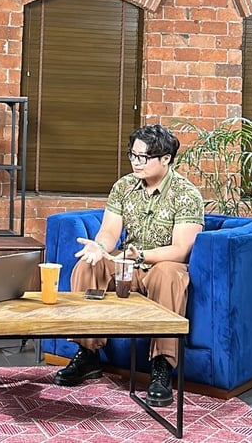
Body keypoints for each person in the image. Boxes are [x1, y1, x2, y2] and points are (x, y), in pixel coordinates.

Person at [53, 124, 204, 408]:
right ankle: (88, 354)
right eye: (132, 155)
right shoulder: (123, 186)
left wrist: (139, 256)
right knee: (88, 266)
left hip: (162, 263)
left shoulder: (186, 194)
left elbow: (181, 249)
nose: (136, 162)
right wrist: (99, 247)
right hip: (128, 262)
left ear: (165, 159)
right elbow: (110, 232)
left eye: (143, 157)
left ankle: (161, 367)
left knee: (170, 275)